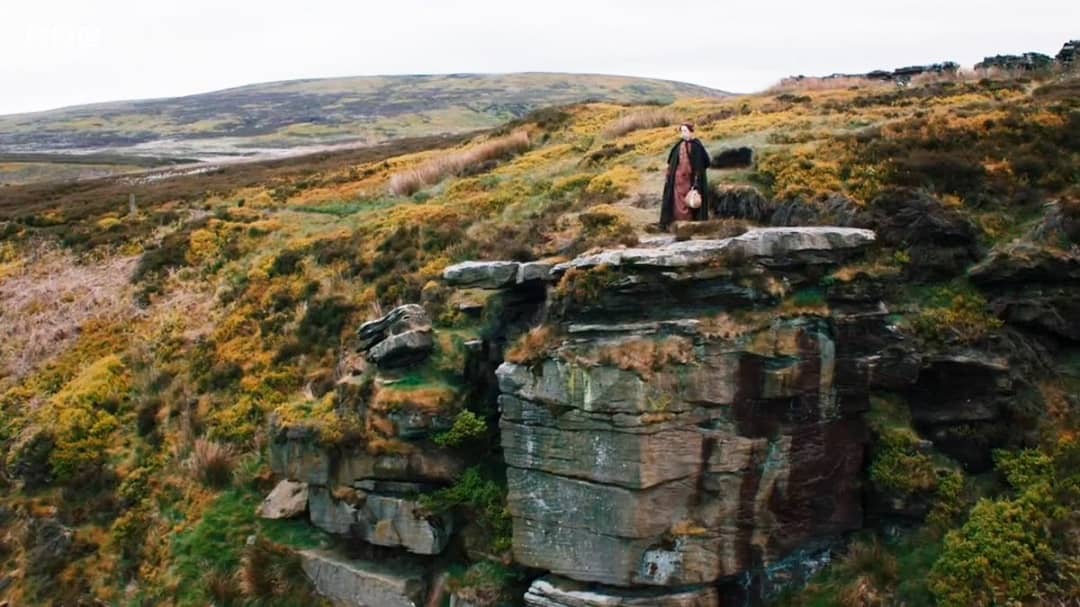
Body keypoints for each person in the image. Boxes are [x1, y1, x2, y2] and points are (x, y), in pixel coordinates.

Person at [660, 123, 710, 229]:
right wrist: (669, 174)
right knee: (677, 201)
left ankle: (689, 222)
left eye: (685, 131)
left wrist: (696, 181)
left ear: (691, 132)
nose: (683, 134)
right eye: (682, 131)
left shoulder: (697, 146)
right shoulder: (678, 145)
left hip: (690, 179)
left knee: (690, 200)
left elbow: (703, 164)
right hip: (678, 180)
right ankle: (677, 221)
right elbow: (671, 162)